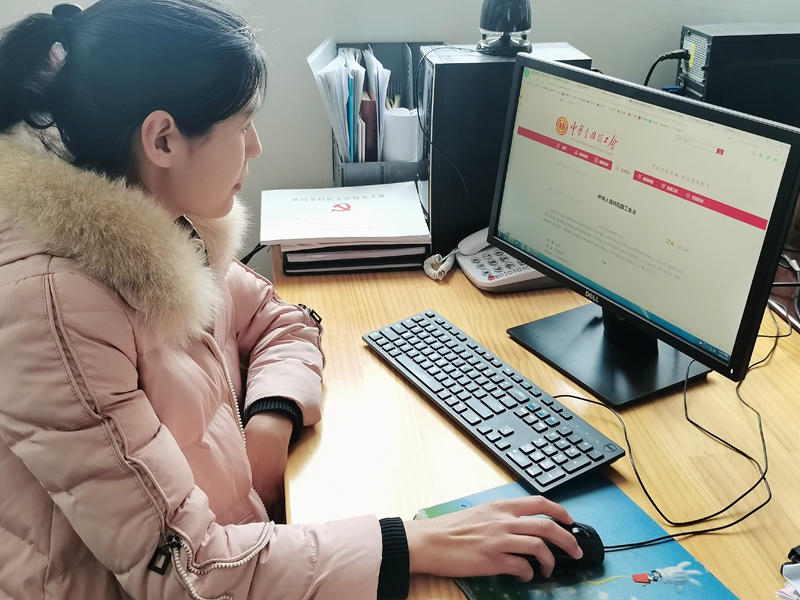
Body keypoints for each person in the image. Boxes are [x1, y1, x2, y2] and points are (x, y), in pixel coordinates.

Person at [0, 1, 584, 598]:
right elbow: (188, 574)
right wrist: (412, 543)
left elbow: (277, 318)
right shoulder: (55, 308)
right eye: (242, 124)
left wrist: (271, 418)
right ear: (163, 139)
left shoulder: (153, 223)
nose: (255, 147)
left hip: (245, 543)